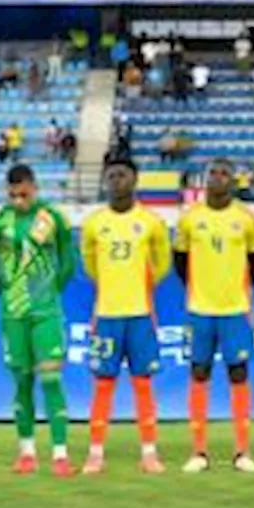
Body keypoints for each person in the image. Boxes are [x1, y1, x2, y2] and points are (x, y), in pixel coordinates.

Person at [173, 159, 254, 473]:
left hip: (235, 311)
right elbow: (180, 262)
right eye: (213, 173)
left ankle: (242, 452)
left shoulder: (247, 219)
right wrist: (199, 290)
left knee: (238, 374)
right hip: (200, 310)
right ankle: (199, 452)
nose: (218, 179)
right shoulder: (190, 219)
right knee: (199, 373)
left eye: (225, 174)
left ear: (233, 181)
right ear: (205, 179)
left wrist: (238, 292)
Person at [0, 164, 76, 476]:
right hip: (14, 314)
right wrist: (11, 294)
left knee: (51, 379)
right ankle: (27, 453)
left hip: (46, 313)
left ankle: (61, 454)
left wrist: (48, 293)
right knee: (22, 381)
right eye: (13, 195)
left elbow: (68, 264)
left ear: (34, 188)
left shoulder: (53, 218)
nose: (19, 201)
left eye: (24, 194)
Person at [81, 159, 172, 475]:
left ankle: (149, 452)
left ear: (135, 180)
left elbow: (162, 266)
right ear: (105, 181)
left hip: (140, 316)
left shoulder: (151, 222)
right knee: (103, 384)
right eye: (112, 176)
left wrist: (139, 289)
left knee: (143, 383)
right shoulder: (94, 223)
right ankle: (95, 453)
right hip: (106, 316)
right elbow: (91, 266)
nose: (117, 181)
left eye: (123, 175)